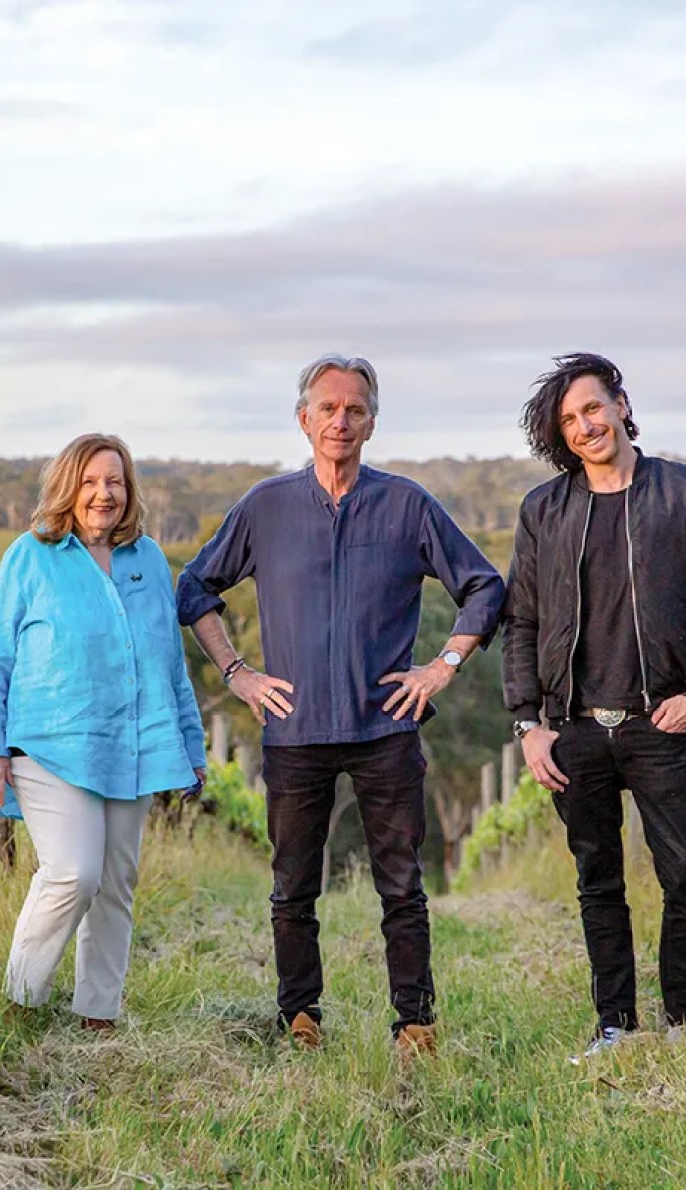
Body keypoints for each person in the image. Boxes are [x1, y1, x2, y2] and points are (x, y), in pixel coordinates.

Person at [176, 354, 505, 1059]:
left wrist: (442, 664)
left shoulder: (407, 504)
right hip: (293, 732)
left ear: (372, 423)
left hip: (386, 727)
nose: (340, 420)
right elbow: (195, 588)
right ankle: (300, 1018)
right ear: (303, 419)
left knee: (401, 887)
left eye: (354, 409)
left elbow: (484, 587)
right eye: (327, 408)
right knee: (292, 887)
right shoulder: (265, 506)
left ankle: (414, 1024)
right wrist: (237, 674)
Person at [500, 352, 686, 1062]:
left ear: (620, 404)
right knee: (596, 881)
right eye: (569, 421)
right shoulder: (543, 509)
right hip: (574, 730)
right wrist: (528, 725)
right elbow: (520, 621)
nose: (584, 427)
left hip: (656, 726)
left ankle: (683, 1018)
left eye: (592, 409)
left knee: (684, 876)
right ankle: (614, 1024)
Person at [0, 432, 206, 1033]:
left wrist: (190, 744)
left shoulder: (149, 559)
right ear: (68, 488)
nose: (104, 494)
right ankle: (19, 999)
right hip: (50, 744)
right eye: (91, 481)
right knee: (75, 872)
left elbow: (170, 661)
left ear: (130, 493)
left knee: (117, 883)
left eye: (116, 482)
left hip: (131, 748)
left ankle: (97, 1014)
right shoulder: (30, 555)